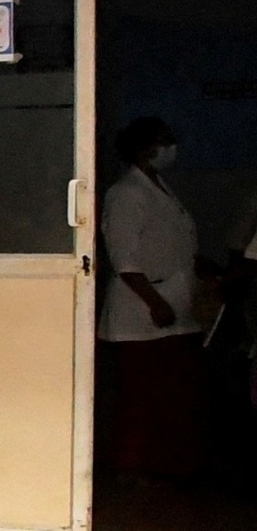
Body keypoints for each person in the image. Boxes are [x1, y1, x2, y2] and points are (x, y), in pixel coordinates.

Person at [101, 113, 209, 482]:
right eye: (164, 141)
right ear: (144, 149)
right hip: (143, 308)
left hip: (174, 300)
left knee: (174, 395)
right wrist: (154, 301)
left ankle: (168, 465)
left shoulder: (160, 187)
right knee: (141, 397)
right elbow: (124, 258)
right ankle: (133, 466)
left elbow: (174, 243)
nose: (171, 148)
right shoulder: (126, 194)